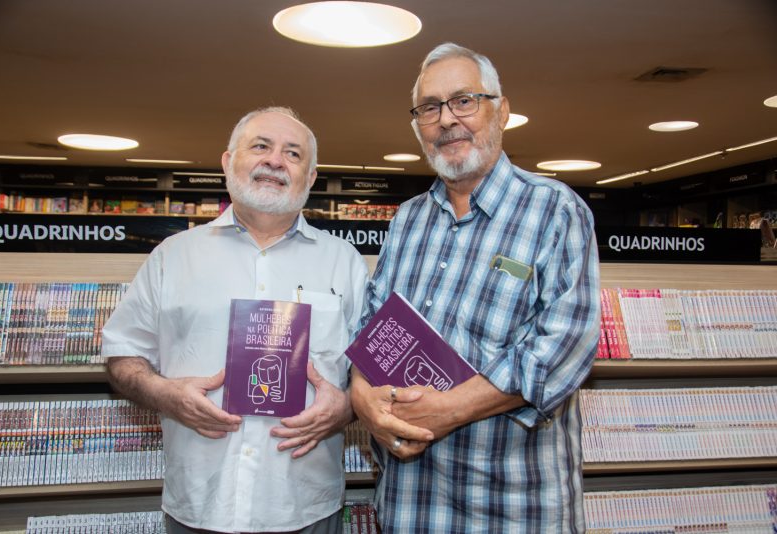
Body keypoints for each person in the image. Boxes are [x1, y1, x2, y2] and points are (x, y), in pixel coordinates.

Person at [350, 43, 601, 533]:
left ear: (501, 111)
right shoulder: (407, 220)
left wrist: (449, 410)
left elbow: (563, 349)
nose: (447, 119)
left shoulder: (555, 210)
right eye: (429, 107)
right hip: (410, 504)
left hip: (513, 506)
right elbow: (371, 326)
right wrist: (361, 396)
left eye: (464, 101)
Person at [102, 107, 368, 533]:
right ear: (228, 161)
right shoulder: (173, 256)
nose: (275, 161)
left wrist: (348, 407)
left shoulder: (345, 262)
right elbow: (122, 356)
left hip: (305, 508)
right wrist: (166, 394)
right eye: (261, 146)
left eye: (293, 153)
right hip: (199, 505)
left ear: (311, 177)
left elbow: (373, 372)